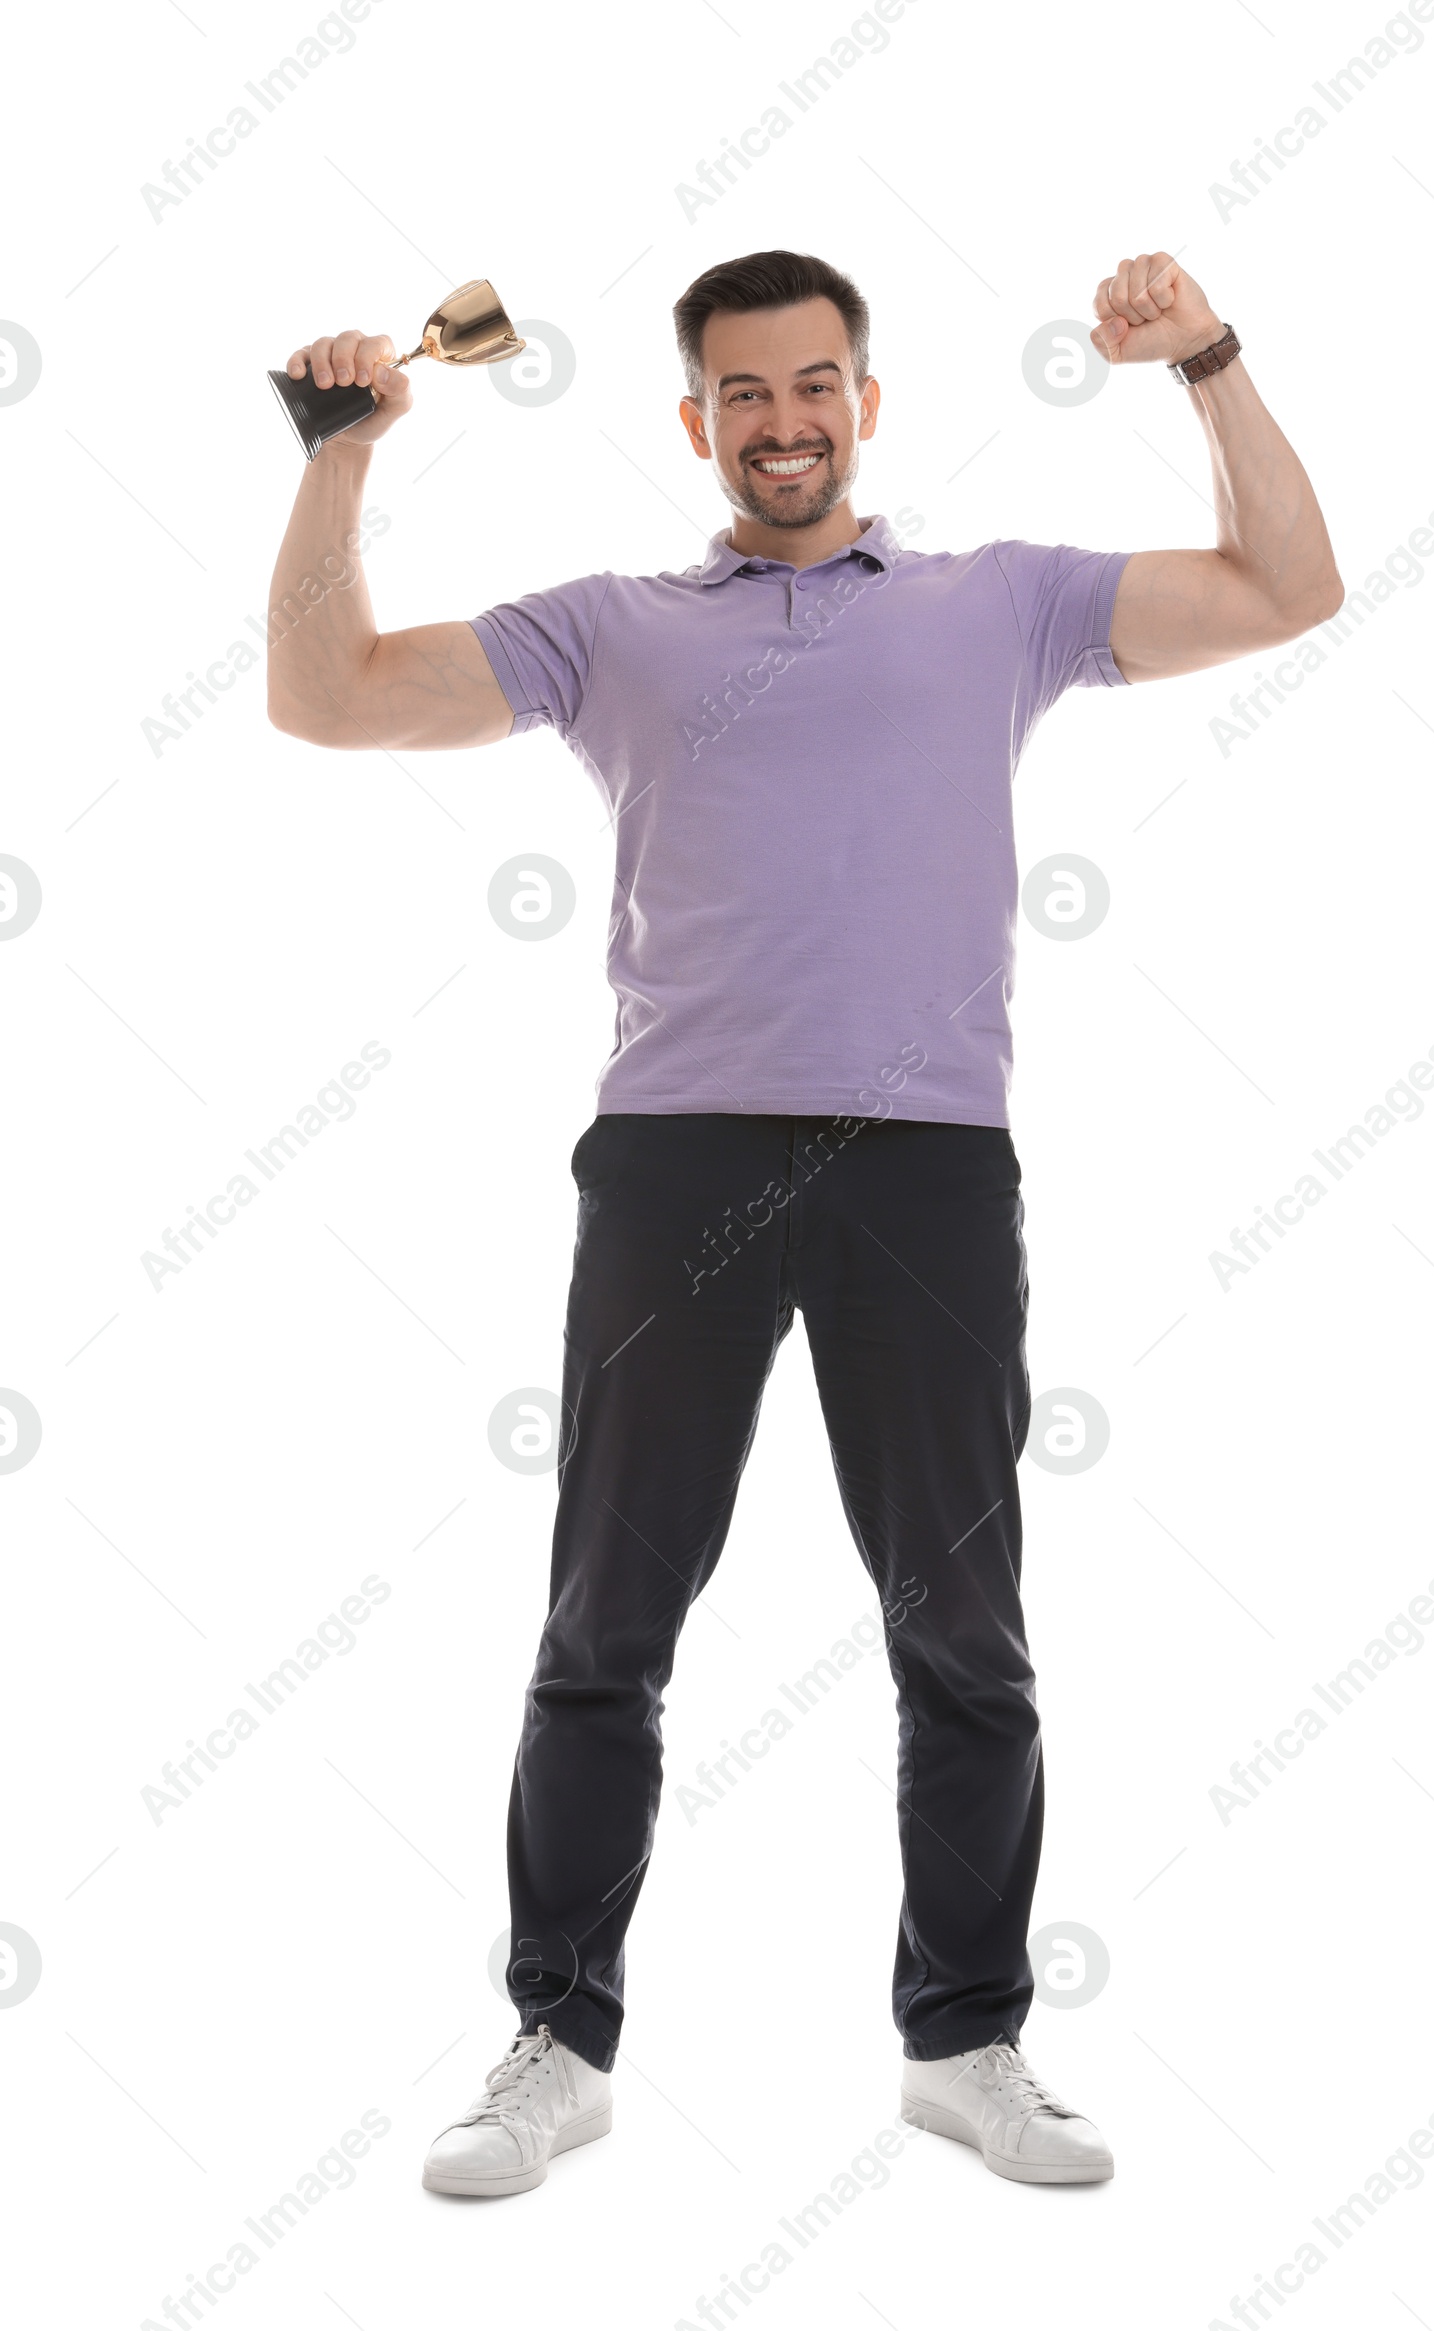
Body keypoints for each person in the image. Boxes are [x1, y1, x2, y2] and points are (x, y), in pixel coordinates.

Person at [266, 248, 1341, 2198]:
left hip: (925, 1159)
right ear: (695, 420)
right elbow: (325, 698)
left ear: (866, 400)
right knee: (606, 1621)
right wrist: (341, 455)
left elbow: (1288, 586)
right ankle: (558, 2038)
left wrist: (1205, 360)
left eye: (814, 385)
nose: (782, 421)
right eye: (743, 394)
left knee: (963, 1629)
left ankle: (969, 2039)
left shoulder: (991, 604)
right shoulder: (615, 627)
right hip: (671, 1157)